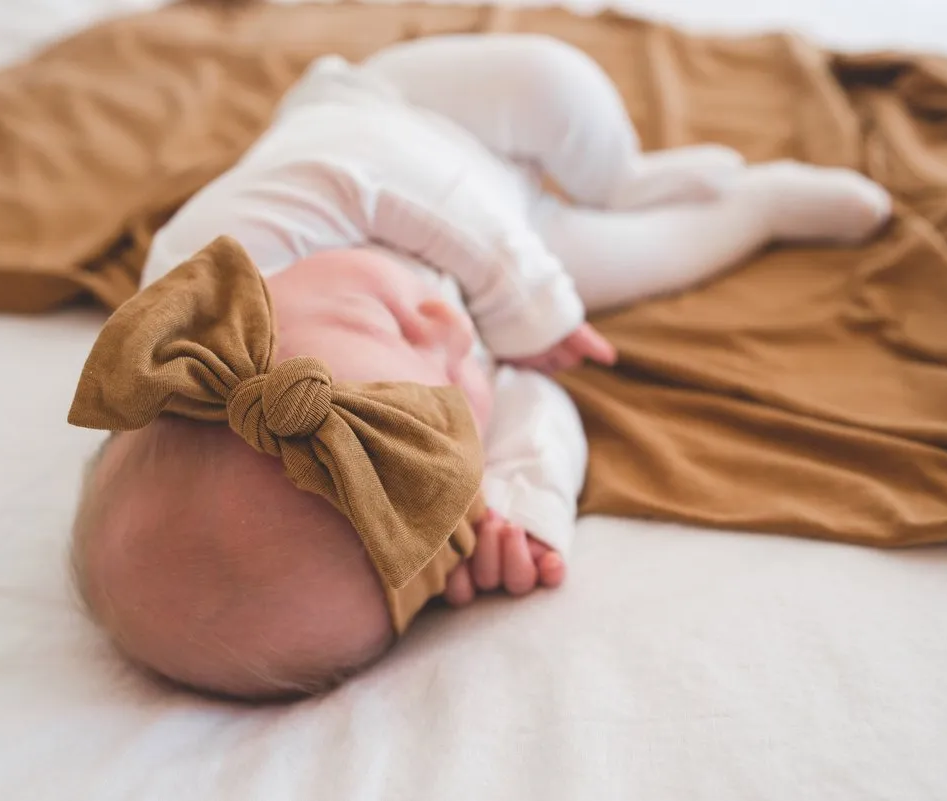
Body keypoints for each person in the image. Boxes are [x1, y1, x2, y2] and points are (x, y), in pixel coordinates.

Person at [70, 34, 892, 699]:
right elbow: (535, 392)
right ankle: (759, 207)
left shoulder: (206, 278)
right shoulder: (419, 486)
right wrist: (519, 501)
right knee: (648, 262)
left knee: (551, 82)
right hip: (531, 238)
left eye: (381, 316)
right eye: (455, 399)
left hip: (416, 125)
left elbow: (366, 165)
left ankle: (624, 175)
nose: (447, 331)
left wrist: (520, 295)